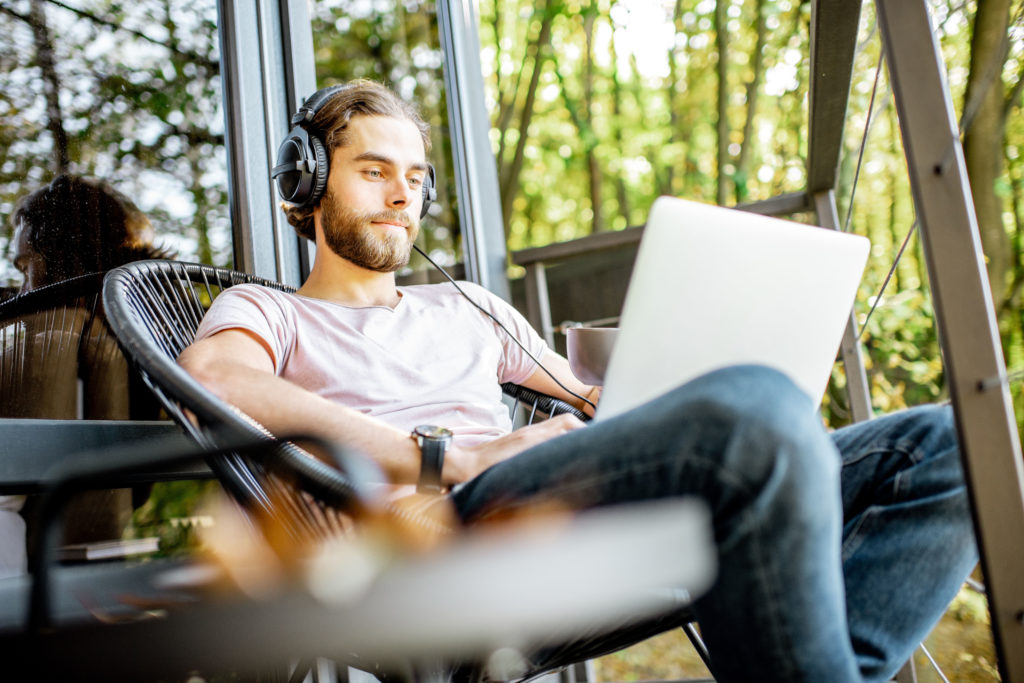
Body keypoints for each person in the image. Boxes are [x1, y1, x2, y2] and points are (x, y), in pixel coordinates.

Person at [177, 79, 977, 683]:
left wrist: (670, 373)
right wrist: (449, 457)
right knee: (760, 413)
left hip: (569, 509)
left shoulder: (466, 307)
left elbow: (594, 397)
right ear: (308, 183)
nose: (401, 195)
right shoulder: (268, 310)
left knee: (948, 447)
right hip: (441, 544)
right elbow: (215, 376)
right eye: (374, 171)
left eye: (416, 177)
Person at [0, 175, 172, 577]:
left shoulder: (63, 344)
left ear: (65, 262)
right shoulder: (139, 345)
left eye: (27, 267)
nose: (23, 289)